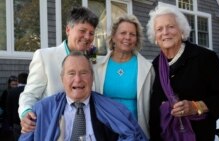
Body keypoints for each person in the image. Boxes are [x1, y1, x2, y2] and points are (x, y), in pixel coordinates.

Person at [146, 5, 219, 141]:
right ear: (155, 37)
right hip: (164, 136)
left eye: (171, 26)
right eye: (159, 29)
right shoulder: (155, 65)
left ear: (182, 31)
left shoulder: (204, 58)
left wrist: (196, 106)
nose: (165, 32)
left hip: (199, 135)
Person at [18, 51, 148, 141]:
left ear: (92, 78)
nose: (78, 79)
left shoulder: (115, 110)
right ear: (62, 78)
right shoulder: (41, 110)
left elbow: (134, 136)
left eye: (84, 73)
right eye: (71, 73)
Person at [18, 6, 99, 133]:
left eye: (91, 33)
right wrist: (26, 112)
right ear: (68, 29)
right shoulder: (44, 57)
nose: (87, 37)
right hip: (53, 132)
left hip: (87, 130)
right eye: (82, 31)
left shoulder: (93, 61)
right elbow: (30, 94)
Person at [93, 14, 155, 138]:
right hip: (104, 131)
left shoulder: (147, 68)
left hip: (134, 132)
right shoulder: (97, 66)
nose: (127, 37)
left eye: (132, 34)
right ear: (114, 37)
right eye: (123, 33)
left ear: (136, 39)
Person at [6, 72, 28, 141]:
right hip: (29, 122)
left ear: (18, 81)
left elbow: (8, 109)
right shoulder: (31, 92)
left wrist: (10, 123)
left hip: (16, 122)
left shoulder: (11, 92)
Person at [0, 75, 18, 140]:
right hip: (7, 116)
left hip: (16, 116)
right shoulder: (6, 92)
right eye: (13, 84)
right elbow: (2, 104)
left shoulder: (20, 92)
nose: (14, 86)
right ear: (9, 84)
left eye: (16, 84)